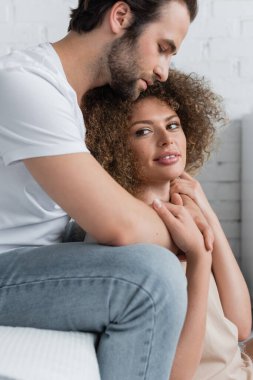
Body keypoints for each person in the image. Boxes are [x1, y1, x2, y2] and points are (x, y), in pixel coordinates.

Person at [0, 1, 203, 379]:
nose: (163, 71)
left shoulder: (76, 102)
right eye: (162, 47)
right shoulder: (24, 83)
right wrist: (188, 238)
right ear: (120, 16)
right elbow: (119, 226)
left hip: (31, 258)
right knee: (150, 278)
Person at [82, 68, 253, 379]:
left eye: (173, 125)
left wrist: (206, 212)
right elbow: (174, 374)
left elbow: (240, 326)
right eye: (143, 131)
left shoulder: (186, 209)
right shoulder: (126, 233)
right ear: (113, 146)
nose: (167, 140)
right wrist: (199, 258)